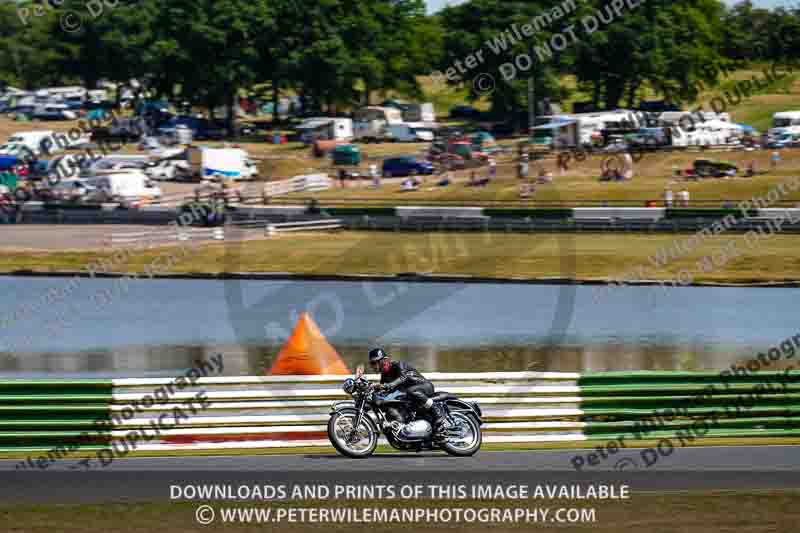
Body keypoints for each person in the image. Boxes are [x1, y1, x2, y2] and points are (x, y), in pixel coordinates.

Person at [368, 348, 448, 440]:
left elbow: (403, 377)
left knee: (410, 391)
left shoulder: (398, 365)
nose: (372, 366)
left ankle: (438, 413)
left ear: (383, 361)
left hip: (423, 386)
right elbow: (385, 390)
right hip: (411, 396)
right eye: (371, 363)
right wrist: (373, 390)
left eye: (374, 363)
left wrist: (387, 385)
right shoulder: (384, 376)